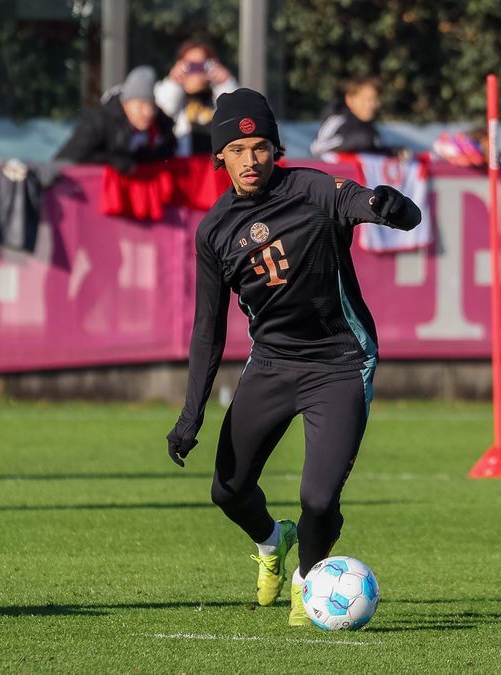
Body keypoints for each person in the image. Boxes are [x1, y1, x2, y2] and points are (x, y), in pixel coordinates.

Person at [165, 88, 421, 627]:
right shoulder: (214, 231)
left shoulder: (313, 189)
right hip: (274, 362)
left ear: (274, 148)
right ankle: (271, 540)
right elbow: (208, 330)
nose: (250, 159)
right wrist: (192, 412)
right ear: (220, 158)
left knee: (320, 500)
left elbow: (368, 204)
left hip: (339, 362)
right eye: (237, 150)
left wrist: (386, 206)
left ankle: (308, 581)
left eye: (259, 147)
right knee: (227, 491)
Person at [55, 66, 176, 173]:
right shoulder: (99, 122)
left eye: (152, 105)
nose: (148, 112)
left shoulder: (160, 127)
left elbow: (168, 152)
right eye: (141, 104)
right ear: (125, 103)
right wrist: (112, 161)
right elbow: (67, 159)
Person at [155, 39, 238, 156]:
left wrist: (225, 84)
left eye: (201, 66)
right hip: (184, 168)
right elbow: (162, 112)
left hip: (214, 170)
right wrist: (173, 83)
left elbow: (236, 118)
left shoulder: (218, 96)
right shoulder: (173, 96)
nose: (195, 72)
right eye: (190, 66)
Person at [309, 76, 391, 157]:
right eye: (365, 99)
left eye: (375, 99)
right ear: (349, 99)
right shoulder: (338, 121)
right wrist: (354, 141)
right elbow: (316, 148)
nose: (371, 105)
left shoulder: (371, 129)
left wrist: (393, 152)